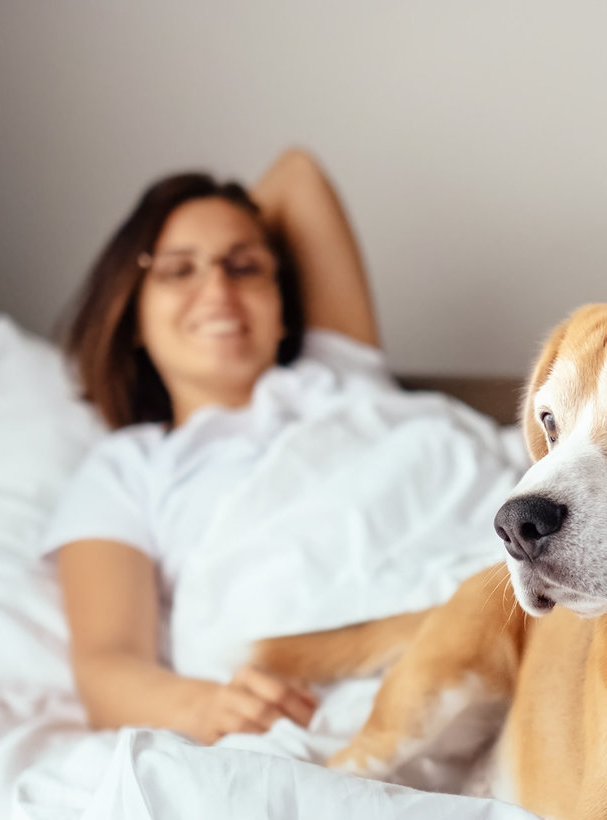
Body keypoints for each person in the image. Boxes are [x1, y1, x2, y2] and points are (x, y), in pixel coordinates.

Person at [45, 148, 378, 745]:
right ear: (135, 317)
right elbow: (106, 665)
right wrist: (211, 708)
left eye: (244, 267)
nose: (217, 286)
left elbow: (297, 174)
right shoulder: (129, 467)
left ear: (282, 309)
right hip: (317, 696)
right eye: (178, 271)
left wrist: (211, 227)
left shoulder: (342, 378)